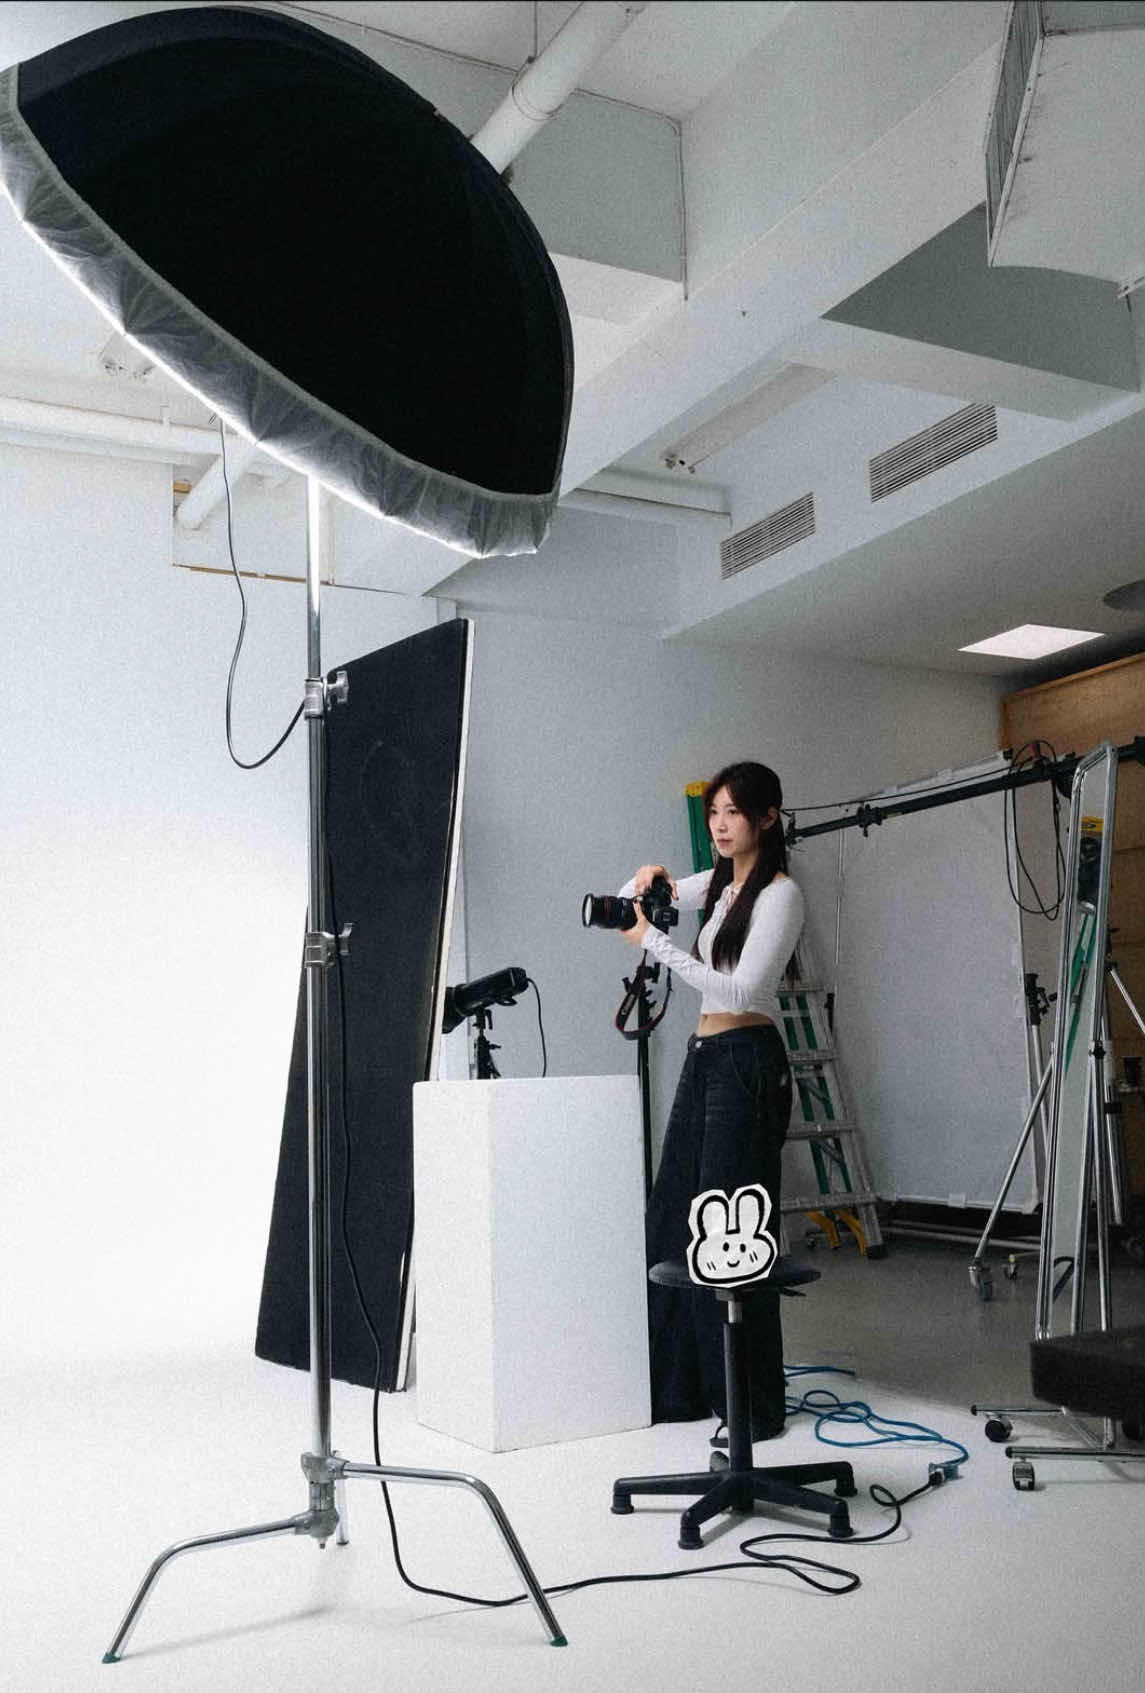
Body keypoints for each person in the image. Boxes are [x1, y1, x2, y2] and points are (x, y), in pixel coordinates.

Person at [618, 761, 803, 1438]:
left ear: (766, 818)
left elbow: (737, 990)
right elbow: (625, 903)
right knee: (676, 1216)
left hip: (747, 1063)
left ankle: (751, 1406)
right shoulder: (720, 885)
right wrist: (644, 878)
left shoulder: (780, 895)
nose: (721, 826)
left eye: (733, 813)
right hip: (705, 1060)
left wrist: (655, 944)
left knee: (732, 1230)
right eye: (714, 814)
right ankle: (683, 1390)